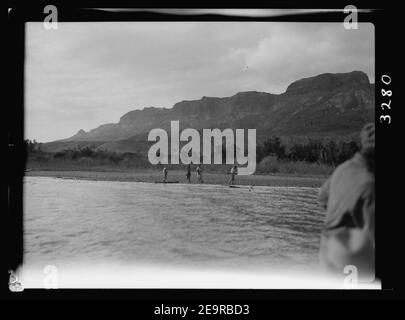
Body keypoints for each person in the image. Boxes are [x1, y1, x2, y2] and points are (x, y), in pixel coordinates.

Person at [318, 123, 375, 280]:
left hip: (326, 248)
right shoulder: (370, 184)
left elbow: (322, 198)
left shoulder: (343, 168)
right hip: (351, 254)